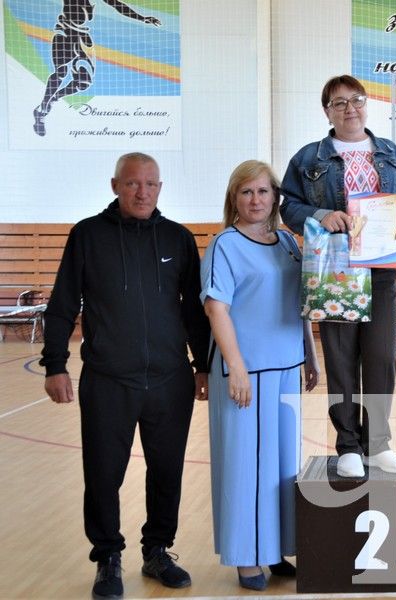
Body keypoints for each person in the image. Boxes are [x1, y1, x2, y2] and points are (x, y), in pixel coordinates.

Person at [40, 152, 209, 599]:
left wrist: (204, 364)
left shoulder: (178, 238)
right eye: (133, 184)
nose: (143, 192)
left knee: (167, 471)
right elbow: (63, 304)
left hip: (170, 380)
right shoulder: (88, 235)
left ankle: (157, 551)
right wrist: (54, 364)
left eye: (151, 184)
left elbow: (193, 310)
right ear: (115, 185)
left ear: (160, 188)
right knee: (103, 473)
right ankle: (108, 557)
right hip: (108, 380)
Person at [281, 75, 396, 478]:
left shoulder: (391, 153)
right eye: (339, 102)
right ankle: (348, 445)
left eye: (356, 100)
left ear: (366, 104)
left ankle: (377, 443)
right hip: (334, 270)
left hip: (380, 269)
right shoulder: (309, 159)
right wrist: (320, 214)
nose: (349, 108)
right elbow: (288, 205)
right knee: (341, 361)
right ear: (327, 111)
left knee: (380, 358)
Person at [202, 160, 319, 591]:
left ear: (275, 197)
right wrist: (235, 367)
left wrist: (311, 354)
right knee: (244, 469)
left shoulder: (289, 243)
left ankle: (276, 549)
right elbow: (217, 308)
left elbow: (302, 301)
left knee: (281, 469)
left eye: (264, 192)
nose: (256, 200)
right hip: (245, 375)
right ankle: (247, 559)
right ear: (234, 197)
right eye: (247, 192)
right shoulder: (224, 245)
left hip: (287, 371)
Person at [33, 0, 162, 136]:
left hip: (82, 35)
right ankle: (42, 110)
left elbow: (118, 5)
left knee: (83, 83)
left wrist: (142, 18)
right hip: (64, 31)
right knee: (61, 72)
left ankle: (55, 97)